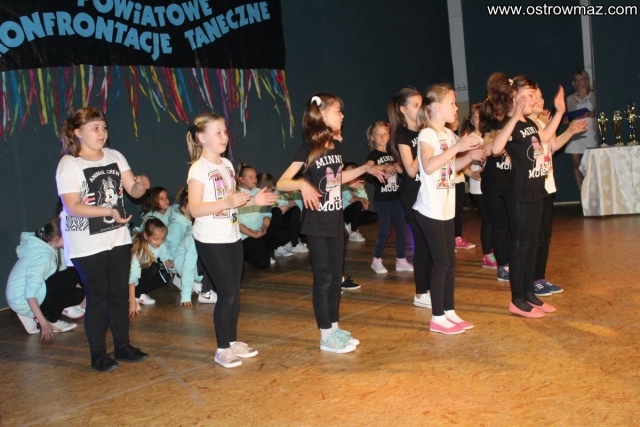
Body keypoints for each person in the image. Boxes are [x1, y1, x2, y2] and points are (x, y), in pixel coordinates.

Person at [277, 93, 386, 353]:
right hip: (316, 224)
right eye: (338, 111)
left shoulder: (337, 148)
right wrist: (302, 184)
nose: (342, 116)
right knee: (323, 277)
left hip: (335, 220)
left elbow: (337, 178)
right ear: (324, 115)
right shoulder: (308, 149)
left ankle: (335, 328)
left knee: (337, 277)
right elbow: (282, 182)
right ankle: (325, 335)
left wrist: (364, 169)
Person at [56, 107, 151, 372]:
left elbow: (133, 190)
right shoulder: (69, 163)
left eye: (104, 127)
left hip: (117, 238)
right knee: (98, 296)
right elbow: (73, 206)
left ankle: (122, 347)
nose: (102, 133)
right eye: (95, 128)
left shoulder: (114, 156)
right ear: (78, 132)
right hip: (86, 242)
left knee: (119, 294)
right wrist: (108, 211)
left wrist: (141, 185)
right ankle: (98, 355)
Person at [186, 112, 277, 368]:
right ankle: (222, 348)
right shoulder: (198, 169)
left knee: (234, 292)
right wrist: (227, 203)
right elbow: (195, 209)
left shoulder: (226, 165)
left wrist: (254, 200)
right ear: (202, 138)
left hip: (232, 236)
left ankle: (233, 340)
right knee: (226, 293)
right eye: (218, 132)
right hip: (210, 240)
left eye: (225, 131)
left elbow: (232, 202)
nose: (224, 136)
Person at [490, 75, 565, 318]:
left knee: (532, 244)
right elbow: (496, 149)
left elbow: (545, 138)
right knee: (520, 246)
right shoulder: (509, 123)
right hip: (519, 193)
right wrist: (513, 117)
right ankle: (517, 299)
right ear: (515, 97)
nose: (534, 99)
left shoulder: (530, 123)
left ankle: (529, 293)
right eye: (530, 95)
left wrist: (560, 111)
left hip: (536, 190)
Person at [414, 84, 483, 334]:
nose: (456, 108)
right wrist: (457, 147)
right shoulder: (427, 134)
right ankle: (437, 317)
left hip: (445, 207)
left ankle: (449, 310)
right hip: (429, 209)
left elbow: (450, 167)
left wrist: (471, 156)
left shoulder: (448, 134)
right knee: (441, 261)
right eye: (452, 103)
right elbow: (429, 165)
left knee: (450, 261)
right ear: (437, 107)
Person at [529, 86, 587, 296]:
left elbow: (552, 146)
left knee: (545, 235)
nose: (540, 100)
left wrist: (570, 131)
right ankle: (531, 280)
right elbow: (542, 140)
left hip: (547, 184)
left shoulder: (542, 122)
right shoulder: (526, 125)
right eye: (534, 96)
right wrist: (559, 114)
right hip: (534, 187)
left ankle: (540, 279)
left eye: (540, 96)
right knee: (535, 236)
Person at [6, 217, 84, 339]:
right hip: (24, 300)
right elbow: (30, 293)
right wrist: (44, 324)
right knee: (71, 275)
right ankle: (52, 320)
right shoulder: (43, 257)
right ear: (57, 238)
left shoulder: (43, 247)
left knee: (77, 293)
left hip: (20, 299)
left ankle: (30, 314)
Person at [389, 87, 432, 309]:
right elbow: (411, 170)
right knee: (422, 243)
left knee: (433, 243)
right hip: (412, 194)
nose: (420, 108)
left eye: (421, 104)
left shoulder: (427, 130)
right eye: (415, 105)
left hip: (430, 191)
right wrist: (424, 146)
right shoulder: (403, 136)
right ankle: (421, 292)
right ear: (403, 110)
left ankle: (432, 287)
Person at [479, 73, 515, 282]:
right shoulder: (492, 121)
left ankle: (513, 261)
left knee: (512, 225)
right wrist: (499, 140)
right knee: (499, 225)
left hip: (512, 180)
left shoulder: (516, 119)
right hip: (493, 181)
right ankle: (503, 265)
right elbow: (487, 148)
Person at [366, 120, 413, 274]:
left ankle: (401, 259)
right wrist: (384, 167)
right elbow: (368, 168)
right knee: (385, 230)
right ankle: (376, 260)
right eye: (378, 134)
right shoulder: (374, 155)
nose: (381, 137)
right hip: (382, 199)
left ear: (389, 136)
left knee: (401, 229)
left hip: (396, 197)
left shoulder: (393, 154)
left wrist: (398, 167)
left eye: (384, 134)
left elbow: (402, 170)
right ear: (372, 137)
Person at [237, 162, 292, 268]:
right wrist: (252, 234)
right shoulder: (238, 194)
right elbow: (236, 222)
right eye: (250, 177)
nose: (254, 179)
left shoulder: (259, 192)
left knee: (285, 234)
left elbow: (267, 214)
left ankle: (261, 250)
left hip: (259, 232)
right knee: (263, 264)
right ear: (242, 179)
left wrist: (264, 227)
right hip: (246, 235)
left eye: (255, 176)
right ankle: (244, 253)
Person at [166, 187, 215, 305]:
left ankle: (198, 283)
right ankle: (202, 289)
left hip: (189, 259)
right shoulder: (178, 227)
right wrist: (186, 295)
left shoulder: (193, 225)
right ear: (183, 208)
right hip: (183, 265)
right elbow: (181, 258)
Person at [463, 104, 497, 268]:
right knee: (488, 220)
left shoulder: (491, 136)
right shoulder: (470, 139)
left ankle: (496, 250)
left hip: (493, 185)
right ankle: (487, 255)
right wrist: (471, 174)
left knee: (496, 219)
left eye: (483, 117)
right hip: (478, 186)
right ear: (471, 120)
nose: (480, 120)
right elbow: (459, 160)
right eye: (476, 117)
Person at [128, 217, 174, 312]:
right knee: (154, 267)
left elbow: (166, 256)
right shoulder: (138, 249)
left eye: (162, 239)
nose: (160, 242)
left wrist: (170, 262)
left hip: (142, 275)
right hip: (130, 278)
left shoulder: (161, 244)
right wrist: (132, 301)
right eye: (156, 239)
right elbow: (133, 275)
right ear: (146, 236)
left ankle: (140, 293)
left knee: (165, 277)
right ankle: (134, 296)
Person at [257, 172, 309, 254]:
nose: (273, 187)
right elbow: (269, 215)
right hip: (268, 228)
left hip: (282, 225)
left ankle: (294, 244)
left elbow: (298, 215)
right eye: (270, 186)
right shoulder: (259, 196)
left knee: (295, 209)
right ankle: (280, 245)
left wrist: (291, 206)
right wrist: (280, 209)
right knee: (277, 211)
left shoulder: (291, 194)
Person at [564, 69, 597, 190]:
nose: (579, 83)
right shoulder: (570, 98)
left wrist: (592, 114)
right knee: (576, 163)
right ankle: (582, 190)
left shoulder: (593, 95)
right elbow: (570, 116)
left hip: (590, 133)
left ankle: (592, 190)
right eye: (577, 80)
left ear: (586, 81)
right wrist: (567, 119)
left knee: (590, 164)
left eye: (582, 80)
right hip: (576, 133)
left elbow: (599, 113)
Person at [342, 162, 373, 242]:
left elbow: (366, 207)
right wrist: (361, 199)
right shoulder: (343, 187)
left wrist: (357, 196)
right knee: (358, 204)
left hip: (355, 213)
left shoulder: (360, 188)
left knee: (374, 217)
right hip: (344, 214)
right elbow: (351, 200)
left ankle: (350, 225)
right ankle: (353, 232)